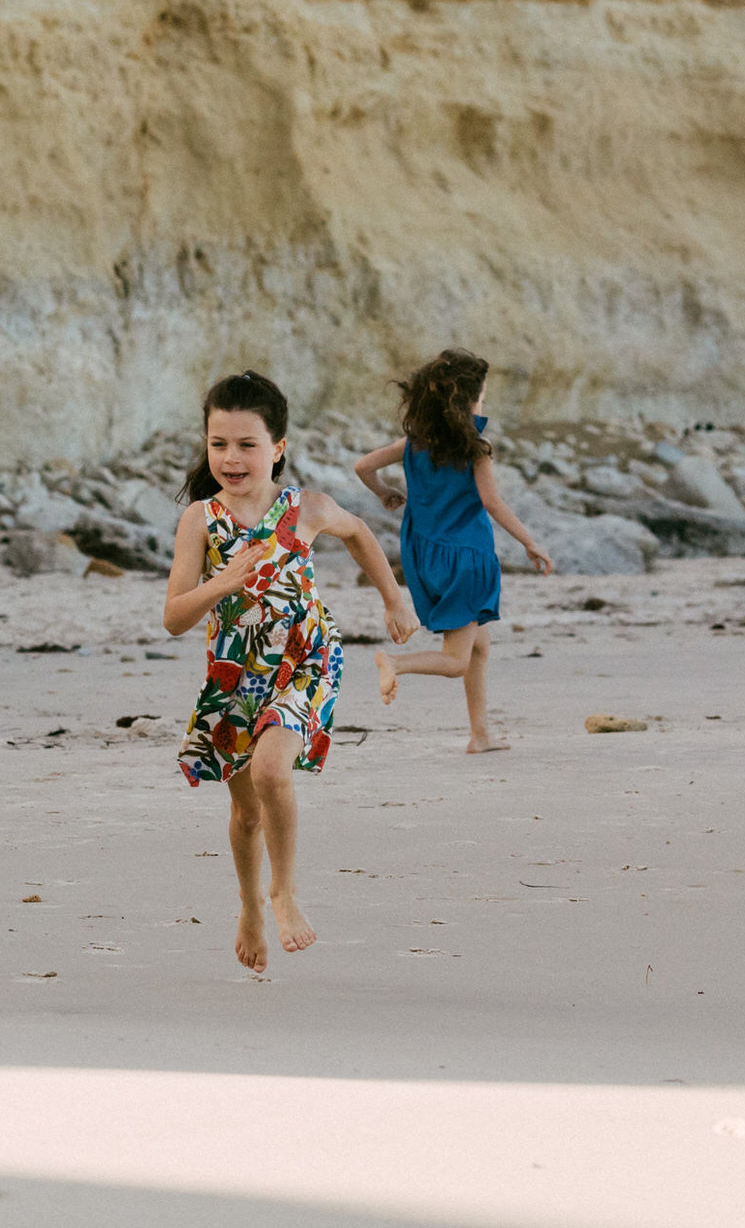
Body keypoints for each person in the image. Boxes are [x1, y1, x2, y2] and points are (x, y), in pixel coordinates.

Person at [164, 371, 416, 974]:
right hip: (235, 672)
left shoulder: (306, 509)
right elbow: (174, 616)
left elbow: (359, 535)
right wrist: (223, 582)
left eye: (247, 444)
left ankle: (283, 890)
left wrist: (394, 598)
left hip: (307, 658)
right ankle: (250, 902)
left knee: (273, 768)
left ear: (277, 447)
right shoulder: (201, 520)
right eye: (218, 443)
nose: (230, 457)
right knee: (246, 812)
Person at [353, 348, 554, 754]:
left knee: (478, 644)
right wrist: (530, 542)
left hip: (424, 557)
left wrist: (386, 493)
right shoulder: (475, 448)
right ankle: (396, 663)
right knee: (457, 659)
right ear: (470, 402)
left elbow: (363, 467)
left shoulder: (413, 443)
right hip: (466, 558)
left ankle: (480, 735)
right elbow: (493, 504)